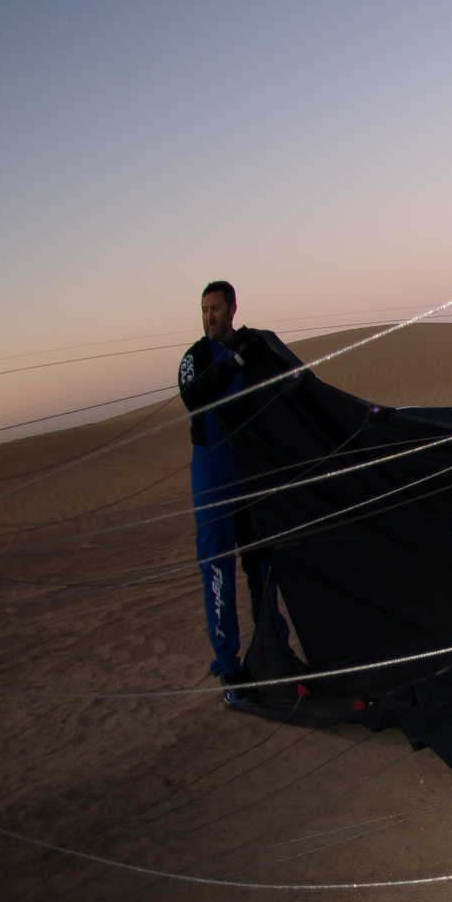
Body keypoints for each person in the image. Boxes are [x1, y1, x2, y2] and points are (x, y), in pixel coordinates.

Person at [177, 280, 285, 704]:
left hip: (248, 473)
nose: (209, 317)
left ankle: (272, 652)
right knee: (217, 567)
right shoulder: (197, 356)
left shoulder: (249, 347)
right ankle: (229, 669)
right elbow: (193, 395)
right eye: (204, 309)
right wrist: (236, 360)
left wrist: (250, 352)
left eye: (216, 308)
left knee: (260, 561)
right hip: (212, 479)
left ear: (232, 308)